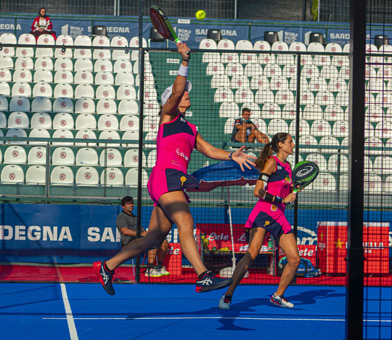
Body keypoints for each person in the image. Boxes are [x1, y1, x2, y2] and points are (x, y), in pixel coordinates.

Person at [94, 42, 256, 296]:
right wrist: (184, 61)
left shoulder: (191, 129)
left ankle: (107, 266)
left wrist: (232, 155)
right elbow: (178, 88)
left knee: (152, 239)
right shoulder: (167, 117)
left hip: (173, 180)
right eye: (182, 94)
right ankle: (203, 276)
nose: (187, 94)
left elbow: (212, 152)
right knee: (186, 221)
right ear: (173, 99)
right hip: (165, 176)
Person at [219, 132, 300, 310]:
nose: (293, 145)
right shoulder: (272, 162)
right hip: (264, 213)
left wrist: (290, 195)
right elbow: (258, 191)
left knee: (294, 259)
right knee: (252, 255)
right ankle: (227, 295)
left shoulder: (288, 167)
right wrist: (281, 200)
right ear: (280, 144)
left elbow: (283, 192)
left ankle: (277, 296)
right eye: (290, 142)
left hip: (279, 215)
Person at [116, 196, 169, 277]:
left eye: (132, 203)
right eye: (128, 204)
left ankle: (159, 267)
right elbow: (125, 231)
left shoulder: (135, 217)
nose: (131, 205)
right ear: (123, 206)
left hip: (140, 240)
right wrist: (141, 234)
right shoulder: (121, 216)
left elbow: (143, 231)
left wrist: (150, 233)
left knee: (163, 241)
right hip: (129, 242)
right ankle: (149, 268)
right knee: (153, 241)